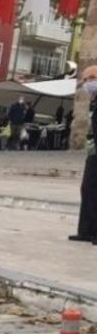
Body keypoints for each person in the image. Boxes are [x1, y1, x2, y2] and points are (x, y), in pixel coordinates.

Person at [69, 65, 97, 242]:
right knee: (88, 189)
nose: (86, 83)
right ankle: (86, 230)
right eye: (85, 80)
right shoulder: (94, 101)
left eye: (90, 79)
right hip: (93, 151)